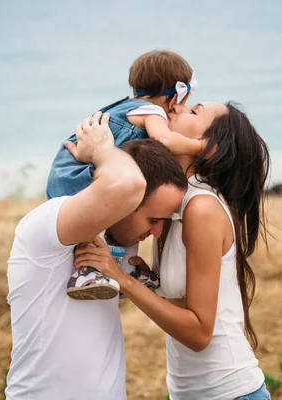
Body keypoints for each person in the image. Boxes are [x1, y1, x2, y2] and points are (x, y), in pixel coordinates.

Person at [74, 102, 273, 399]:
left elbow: (199, 333)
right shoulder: (173, 202)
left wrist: (122, 277)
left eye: (194, 112)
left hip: (229, 391)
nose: (177, 108)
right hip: (186, 392)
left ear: (207, 146)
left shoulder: (201, 208)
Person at [5, 112, 188, 400]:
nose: (156, 232)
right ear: (125, 202)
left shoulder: (115, 242)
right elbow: (128, 184)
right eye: (153, 219)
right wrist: (102, 149)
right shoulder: (46, 225)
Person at [47, 50, 202, 300]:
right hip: (82, 173)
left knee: (128, 213)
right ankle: (86, 272)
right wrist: (201, 146)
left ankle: (127, 269)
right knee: (101, 221)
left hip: (66, 171)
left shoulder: (126, 107)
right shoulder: (153, 113)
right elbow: (166, 139)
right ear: (173, 98)